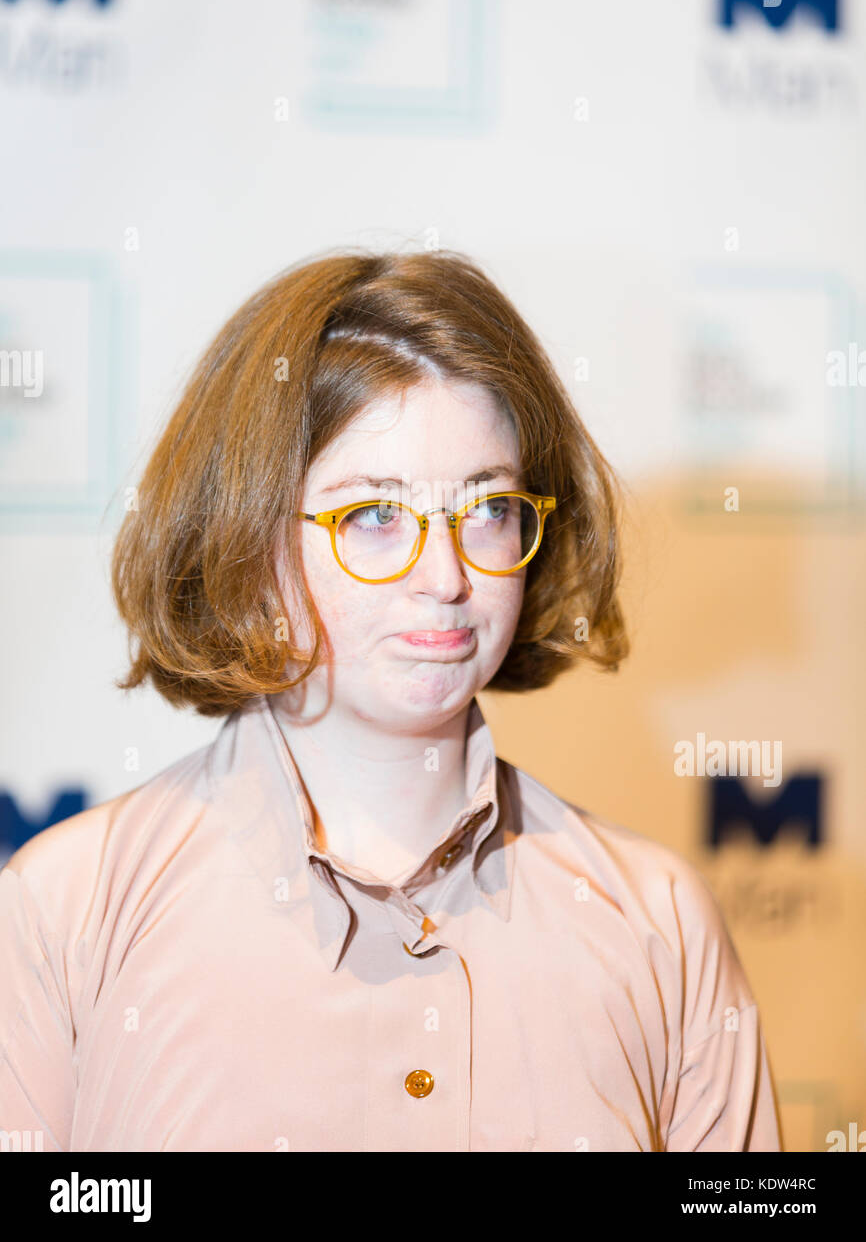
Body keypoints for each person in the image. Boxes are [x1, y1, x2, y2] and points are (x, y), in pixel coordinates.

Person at [0, 248, 783, 1151]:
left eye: (488, 509)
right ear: (248, 540)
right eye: (374, 516)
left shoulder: (659, 923)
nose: (447, 577)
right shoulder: (66, 913)